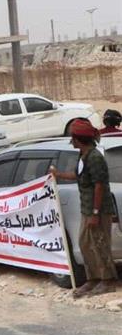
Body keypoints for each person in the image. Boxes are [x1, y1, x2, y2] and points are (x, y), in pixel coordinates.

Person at [51, 119, 118, 297]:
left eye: (73, 138)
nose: (71, 142)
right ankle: (93, 279)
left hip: (98, 210)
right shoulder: (83, 156)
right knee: (86, 244)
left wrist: (95, 213)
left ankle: (107, 281)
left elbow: (99, 186)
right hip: (87, 209)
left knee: (100, 244)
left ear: (78, 139)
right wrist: (58, 174)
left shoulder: (95, 157)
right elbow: (78, 175)